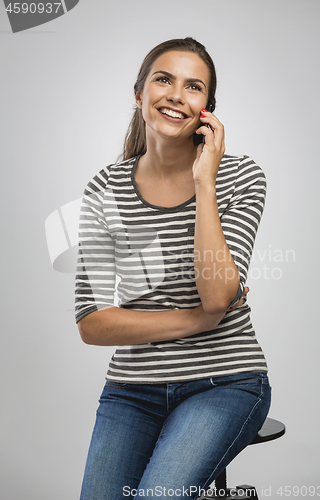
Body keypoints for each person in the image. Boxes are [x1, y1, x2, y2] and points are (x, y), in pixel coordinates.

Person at [75, 37, 271, 500]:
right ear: (139, 94)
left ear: (207, 109)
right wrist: (192, 321)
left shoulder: (241, 177)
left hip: (224, 383)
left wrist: (205, 182)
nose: (176, 94)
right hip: (131, 391)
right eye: (163, 79)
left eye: (193, 86)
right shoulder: (106, 187)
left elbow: (219, 295)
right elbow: (92, 321)